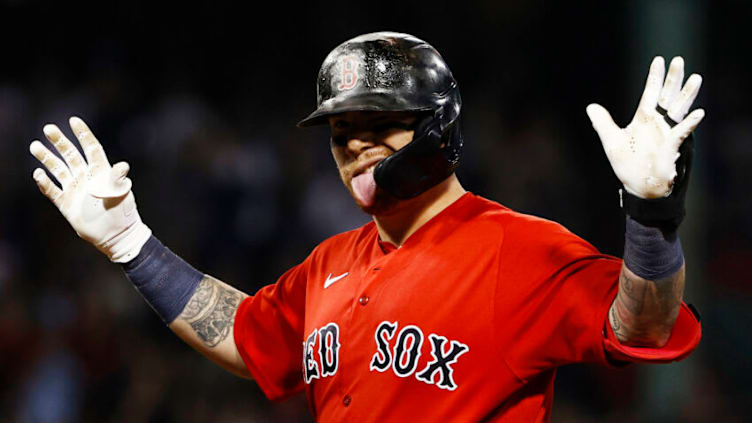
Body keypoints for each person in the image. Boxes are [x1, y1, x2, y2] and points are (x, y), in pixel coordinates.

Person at [29, 32, 704, 422]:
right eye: (343, 131)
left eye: (381, 125)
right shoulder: (330, 262)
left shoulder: (518, 248)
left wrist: (651, 215)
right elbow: (246, 337)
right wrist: (131, 244)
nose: (356, 146)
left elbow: (640, 324)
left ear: (440, 128)